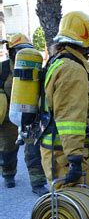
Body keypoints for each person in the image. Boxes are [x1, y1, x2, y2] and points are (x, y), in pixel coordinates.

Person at [38, 11, 89, 189]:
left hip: (59, 150)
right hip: (65, 155)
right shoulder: (72, 69)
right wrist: (75, 160)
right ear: (84, 37)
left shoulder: (60, 61)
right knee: (75, 209)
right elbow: (69, 118)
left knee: (76, 208)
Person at [0, 35, 48, 195]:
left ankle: (37, 183)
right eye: (20, 49)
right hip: (7, 116)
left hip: (29, 114)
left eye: (27, 49)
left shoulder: (36, 68)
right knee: (7, 149)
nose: (23, 53)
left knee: (33, 150)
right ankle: (8, 174)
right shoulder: (3, 68)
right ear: (12, 51)